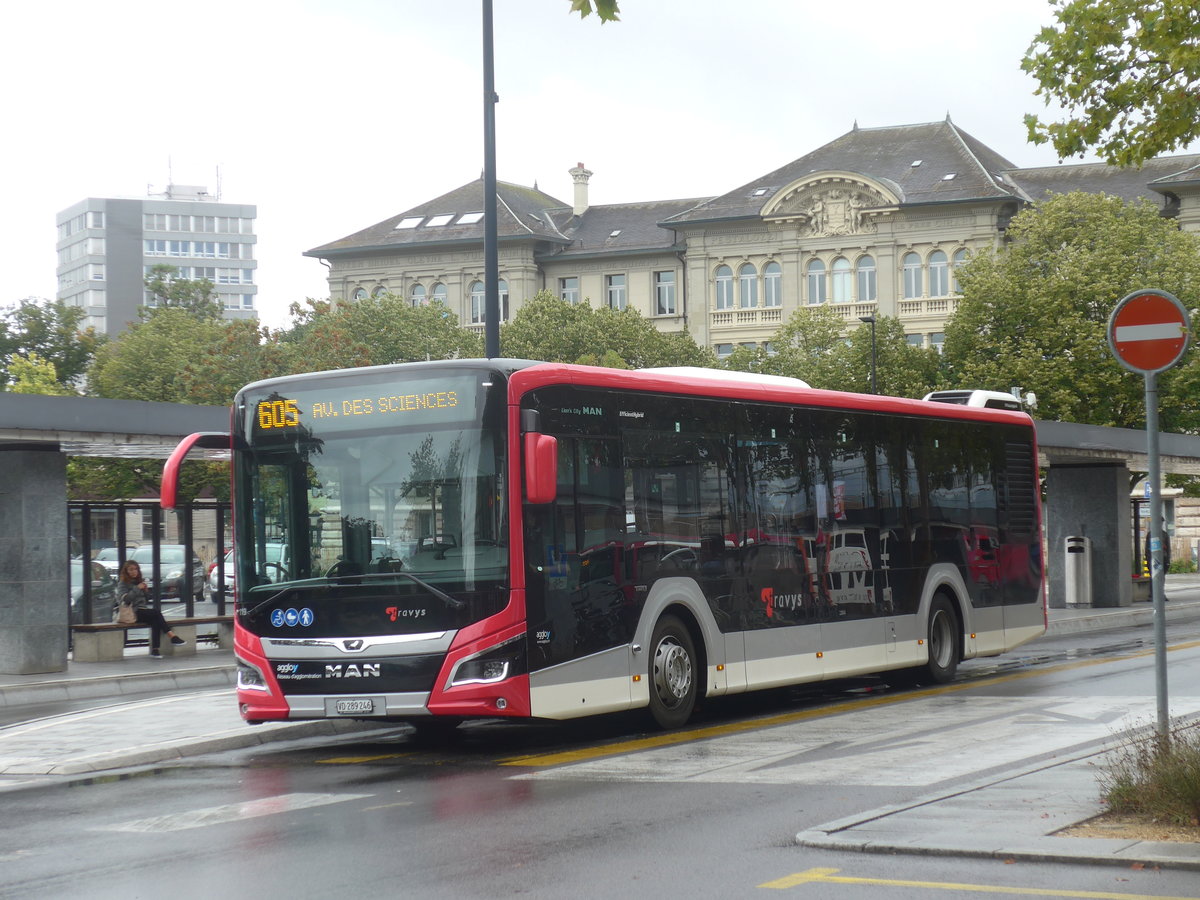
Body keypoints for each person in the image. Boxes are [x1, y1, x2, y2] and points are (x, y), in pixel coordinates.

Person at [116, 561, 187, 656]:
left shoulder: (138, 582)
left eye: (136, 569)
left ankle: (155, 650)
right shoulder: (123, 583)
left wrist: (145, 591)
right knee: (156, 613)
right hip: (133, 612)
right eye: (131, 569)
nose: (134, 571)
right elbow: (126, 599)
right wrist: (137, 588)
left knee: (155, 621)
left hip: (142, 610)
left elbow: (146, 599)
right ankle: (172, 636)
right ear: (126, 571)